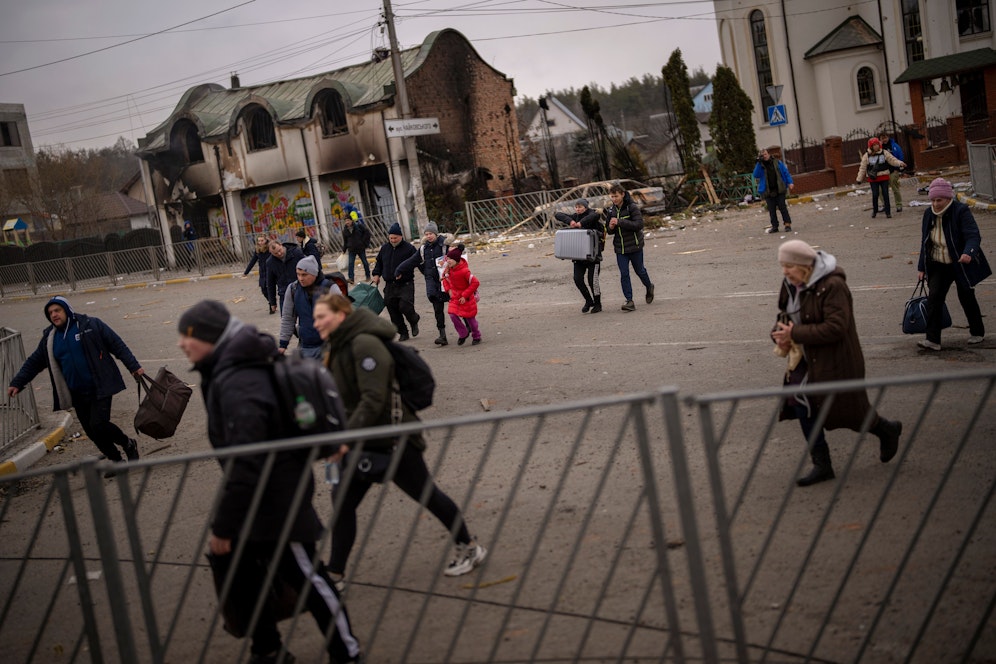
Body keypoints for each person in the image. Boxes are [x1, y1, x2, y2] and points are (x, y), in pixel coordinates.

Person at [177, 300, 361, 664]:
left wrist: (224, 526)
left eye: (188, 336)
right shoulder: (228, 367)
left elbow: (249, 459)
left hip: (275, 498)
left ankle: (348, 651)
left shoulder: (239, 379)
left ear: (210, 336)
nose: (182, 343)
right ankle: (267, 648)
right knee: (241, 575)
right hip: (258, 494)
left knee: (310, 579)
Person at [312, 293, 487, 583]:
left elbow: (374, 399)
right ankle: (335, 573)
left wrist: (344, 439)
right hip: (363, 439)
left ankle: (469, 547)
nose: (316, 323)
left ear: (341, 315)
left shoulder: (363, 343)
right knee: (342, 503)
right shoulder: (336, 346)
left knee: (427, 494)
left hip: (394, 439)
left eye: (321, 317)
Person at [770, 240, 903, 487]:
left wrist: (796, 334)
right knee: (801, 404)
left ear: (804, 265)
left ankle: (885, 429)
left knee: (849, 413)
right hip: (803, 360)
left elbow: (836, 328)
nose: (785, 272)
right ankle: (822, 464)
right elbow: (783, 317)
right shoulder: (790, 284)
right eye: (782, 266)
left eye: (788, 266)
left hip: (836, 359)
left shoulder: (833, 286)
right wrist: (779, 335)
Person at [8, 296, 144, 476]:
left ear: (67, 310)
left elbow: (117, 345)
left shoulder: (90, 325)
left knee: (98, 424)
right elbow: (34, 362)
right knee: (91, 431)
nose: (54, 315)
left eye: (57, 310)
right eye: (50, 313)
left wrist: (134, 367)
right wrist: (18, 382)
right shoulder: (50, 338)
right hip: (76, 392)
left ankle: (128, 443)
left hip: (100, 385)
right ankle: (116, 460)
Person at [916, 177, 991, 350]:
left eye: (939, 200)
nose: (935, 204)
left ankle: (977, 332)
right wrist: (921, 267)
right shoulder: (928, 214)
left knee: (966, 296)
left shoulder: (960, 211)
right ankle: (933, 340)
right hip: (938, 263)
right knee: (934, 298)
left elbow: (973, 235)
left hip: (960, 262)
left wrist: (968, 252)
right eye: (933, 200)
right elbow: (925, 242)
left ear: (949, 198)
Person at [279, 256, 343, 359]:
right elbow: (287, 318)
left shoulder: (329, 288)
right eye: (298, 274)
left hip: (328, 346)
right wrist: (283, 344)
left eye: (304, 275)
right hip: (306, 346)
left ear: (314, 274)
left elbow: (343, 315)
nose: (300, 278)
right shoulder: (293, 289)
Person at [604, 182, 655, 312]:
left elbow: (639, 225)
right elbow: (609, 231)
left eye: (616, 196)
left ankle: (649, 286)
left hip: (635, 246)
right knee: (624, 274)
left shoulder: (632, 207)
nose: (614, 199)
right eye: (612, 196)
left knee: (640, 271)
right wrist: (610, 227)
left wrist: (620, 222)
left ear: (622, 194)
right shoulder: (611, 210)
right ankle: (629, 301)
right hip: (620, 248)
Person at [399, 221, 451, 345]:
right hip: (432, 282)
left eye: (431, 233)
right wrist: (399, 269)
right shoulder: (424, 248)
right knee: (437, 310)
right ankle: (442, 335)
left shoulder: (445, 245)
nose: (428, 236)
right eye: (426, 234)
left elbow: (457, 256)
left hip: (447, 281)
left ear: (436, 233)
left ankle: (468, 328)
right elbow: (413, 261)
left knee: (457, 305)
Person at [371, 222, 420, 341]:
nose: (392, 240)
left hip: (405, 284)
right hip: (390, 285)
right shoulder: (385, 248)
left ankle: (414, 320)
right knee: (393, 310)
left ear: (401, 237)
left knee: (405, 307)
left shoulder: (409, 248)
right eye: (390, 238)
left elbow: (417, 262)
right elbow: (379, 263)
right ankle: (403, 332)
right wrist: (376, 274)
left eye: (395, 238)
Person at [555, 199, 605, 313]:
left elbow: (595, 216)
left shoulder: (593, 214)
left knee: (593, 281)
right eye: (576, 207)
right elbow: (558, 215)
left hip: (593, 256)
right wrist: (571, 221)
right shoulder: (575, 216)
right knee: (578, 279)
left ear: (586, 207)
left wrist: (581, 224)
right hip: (579, 257)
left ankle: (598, 304)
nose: (578, 209)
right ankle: (588, 301)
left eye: (580, 207)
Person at [441, 245, 482, 345]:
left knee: (471, 320)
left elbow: (475, 283)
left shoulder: (465, 271)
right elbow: (444, 278)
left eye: (451, 259)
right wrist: (448, 290)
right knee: (452, 314)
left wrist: (464, 295)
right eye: (448, 258)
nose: (448, 261)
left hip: (466, 298)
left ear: (457, 260)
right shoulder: (448, 269)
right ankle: (463, 333)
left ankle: (476, 336)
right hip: (454, 297)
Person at [856, 137, 905, 219]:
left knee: (886, 194)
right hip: (873, 178)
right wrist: (859, 179)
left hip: (884, 176)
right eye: (874, 145)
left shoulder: (884, 153)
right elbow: (863, 168)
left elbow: (892, 160)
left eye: (877, 145)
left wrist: (900, 163)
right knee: (875, 194)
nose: (876, 147)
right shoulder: (867, 155)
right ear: (871, 146)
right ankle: (875, 210)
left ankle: (888, 212)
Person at [753, 148, 795, 233]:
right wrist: (758, 162)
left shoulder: (777, 162)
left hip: (779, 188)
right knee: (772, 210)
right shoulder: (761, 165)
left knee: (782, 207)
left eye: (765, 154)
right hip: (768, 190)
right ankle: (775, 226)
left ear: (768, 154)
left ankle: (787, 224)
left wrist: (790, 182)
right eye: (762, 155)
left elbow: (785, 172)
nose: (764, 156)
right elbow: (756, 175)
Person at [266, 239, 305, 316]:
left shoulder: (296, 253)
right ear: (271, 253)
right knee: (286, 319)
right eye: (275, 253)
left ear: (281, 245)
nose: (279, 253)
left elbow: (307, 269)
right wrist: (272, 302)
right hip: (284, 293)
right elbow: (270, 283)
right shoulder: (270, 262)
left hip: (301, 290)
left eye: (279, 250)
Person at [243, 235, 272, 311]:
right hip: (262, 272)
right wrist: (246, 272)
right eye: (259, 241)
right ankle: (271, 302)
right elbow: (253, 261)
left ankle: (272, 305)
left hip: (270, 271)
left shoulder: (270, 248)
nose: (260, 242)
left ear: (266, 240)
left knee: (269, 288)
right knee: (263, 290)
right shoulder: (257, 250)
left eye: (262, 240)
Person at [878, 132, 905, 212]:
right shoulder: (878, 148)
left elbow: (900, 156)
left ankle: (899, 205)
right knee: (880, 190)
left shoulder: (894, 146)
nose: (884, 140)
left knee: (895, 188)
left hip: (893, 170)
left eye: (885, 137)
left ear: (888, 137)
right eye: (882, 138)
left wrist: (898, 168)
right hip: (882, 172)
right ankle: (884, 205)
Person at [341, 214, 372, 284]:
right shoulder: (345, 231)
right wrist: (344, 250)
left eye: (348, 220)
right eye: (346, 221)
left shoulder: (359, 227)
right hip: (351, 249)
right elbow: (345, 241)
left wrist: (363, 242)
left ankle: (368, 276)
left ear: (352, 221)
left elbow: (367, 233)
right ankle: (351, 278)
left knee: (365, 262)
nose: (347, 222)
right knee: (351, 263)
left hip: (360, 248)